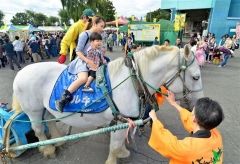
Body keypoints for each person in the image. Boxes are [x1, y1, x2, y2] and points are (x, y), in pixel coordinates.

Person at [148, 91, 224, 163]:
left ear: (194, 119)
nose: (190, 113)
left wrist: (155, 119)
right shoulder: (216, 135)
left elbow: (168, 143)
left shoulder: (187, 149)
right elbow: (190, 119)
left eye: (193, 111)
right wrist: (174, 103)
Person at [55, 16, 105, 112]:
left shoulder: (98, 36)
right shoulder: (84, 34)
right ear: (94, 24)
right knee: (83, 78)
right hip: (83, 61)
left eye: (103, 27)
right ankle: (62, 99)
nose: (102, 29)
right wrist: (88, 61)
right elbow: (78, 51)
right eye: (101, 26)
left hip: (95, 60)